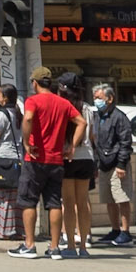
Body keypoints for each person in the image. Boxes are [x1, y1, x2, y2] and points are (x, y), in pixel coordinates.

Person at [14, 65, 85, 259]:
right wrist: (71, 147)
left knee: (29, 201)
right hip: (56, 160)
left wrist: (27, 143)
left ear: (35, 83)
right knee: (54, 202)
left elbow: (28, 118)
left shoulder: (33, 101)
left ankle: (29, 245)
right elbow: (81, 122)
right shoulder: (62, 103)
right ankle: (54, 247)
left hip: (35, 159)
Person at [88, 79, 134, 247]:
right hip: (104, 164)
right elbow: (96, 142)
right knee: (109, 199)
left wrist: (121, 164)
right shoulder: (97, 116)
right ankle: (115, 229)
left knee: (121, 198)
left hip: (117, 164)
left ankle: (125, 231)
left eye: (99, 97)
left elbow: (125, 142)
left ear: (109, 98)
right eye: (94, 97)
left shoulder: (119, 117)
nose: (96, 101)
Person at [55, 72, 95, 257]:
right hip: (87, 157)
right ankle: (84, 245)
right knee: (83, 202)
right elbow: (91, 134)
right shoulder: (87, 107)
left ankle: (71, 244)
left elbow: (81, 125)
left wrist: (71, 146)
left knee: (69, 203)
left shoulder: (63, 106)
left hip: (68, 156)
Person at [0, 85, 24, 244]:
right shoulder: (18, 112)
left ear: (5, 97)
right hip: (17, 157)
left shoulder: (2, 113)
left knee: (2, 196)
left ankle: (5, 229)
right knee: (15, 196)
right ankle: (17, 229)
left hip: (3, 157)